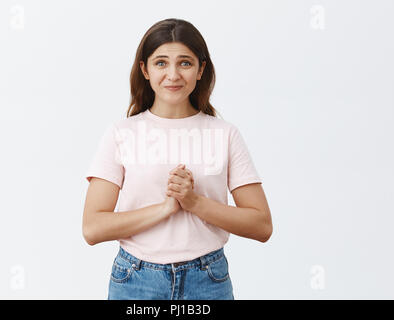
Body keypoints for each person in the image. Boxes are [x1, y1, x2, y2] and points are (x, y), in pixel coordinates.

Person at [82, 18, 273, 300]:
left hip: (208, 280)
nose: (173, 74)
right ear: (145, 70)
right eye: (161, 63)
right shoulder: (121, 133)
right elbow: (93, 228)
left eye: (185, 63)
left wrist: (195, 203)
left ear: (200, 70)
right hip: (136, 280)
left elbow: (261, 225)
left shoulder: (225, 134)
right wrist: (165, 209)